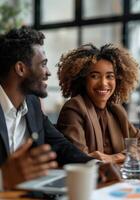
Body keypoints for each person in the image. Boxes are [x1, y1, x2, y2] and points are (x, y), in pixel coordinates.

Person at [0, 26, 95, 190]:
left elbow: (61, 146)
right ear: (21, 68)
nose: (48, 72)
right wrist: (3, 179)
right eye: (43, 64)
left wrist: (95, 165)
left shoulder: (32, 104)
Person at [56, 43, 140, 163]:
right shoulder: (74, 108)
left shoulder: (116, 110)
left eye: (110, 76)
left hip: (116, 176)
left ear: (117, 80)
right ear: (83, 79)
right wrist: (126, 156)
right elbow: (80, 158)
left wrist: (115, 158)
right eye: (95, 76)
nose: (103, 83)